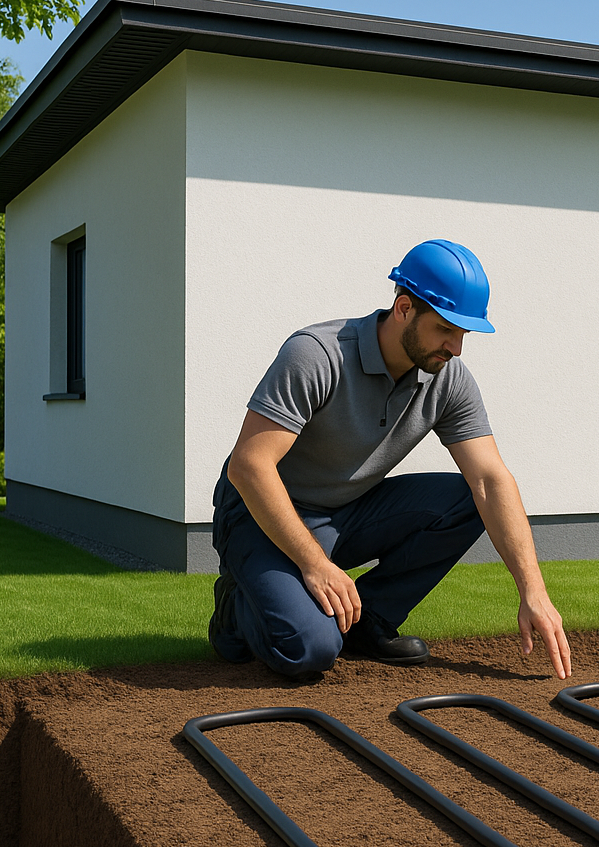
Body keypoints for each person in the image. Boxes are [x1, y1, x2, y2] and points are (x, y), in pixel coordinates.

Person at [208, 239, 572, 680]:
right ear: (403, 308)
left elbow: (491, 481)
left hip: (345, 512)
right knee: (310, 649)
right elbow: (249, 466)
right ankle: (235, 610)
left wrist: (533, 590)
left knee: (467, 499)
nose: (456, 348)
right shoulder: (318, 355)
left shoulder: (447, 378)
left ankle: (370, 620)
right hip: (258, 513)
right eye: (445, 329)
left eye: (464, 334)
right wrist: (315, 564)